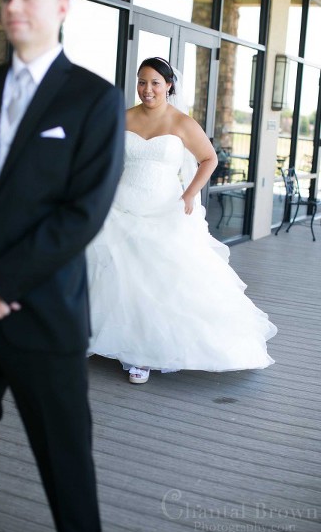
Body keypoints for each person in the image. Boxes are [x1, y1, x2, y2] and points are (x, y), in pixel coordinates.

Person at [0, 0, 124, 532]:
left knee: (66, 467)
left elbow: (83, 213)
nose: (13, 6)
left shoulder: (95, 100)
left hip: (46, 314)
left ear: (62, 7)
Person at [87, 56, 276, 384]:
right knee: (117, 277)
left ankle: (141, 356)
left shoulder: (181, 123)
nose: (147, 90)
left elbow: (208, 158)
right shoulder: (124, 117)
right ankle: (106, 338)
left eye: (155, 83)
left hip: (165, 210)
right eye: (142, 82)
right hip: (121, 206)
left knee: (157, 283)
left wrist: (190, 193)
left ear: (169, 86)